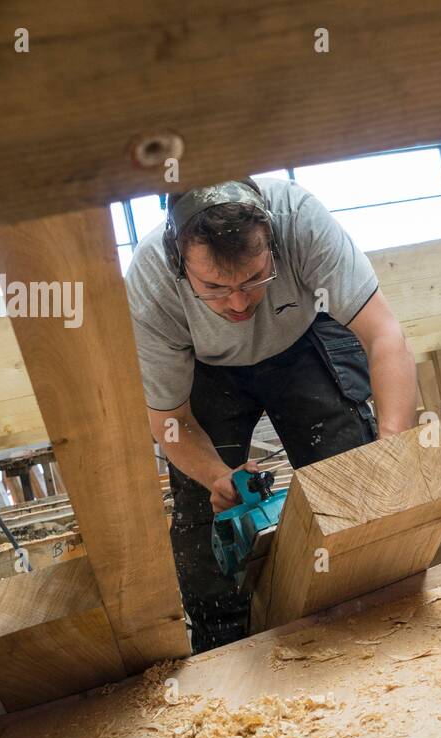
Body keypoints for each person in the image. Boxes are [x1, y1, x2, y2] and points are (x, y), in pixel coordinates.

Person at [125, 179, 417, 652]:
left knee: (352, 471)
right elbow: (169, 420)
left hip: (303, 337)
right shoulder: (150, 285)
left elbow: (384, 334)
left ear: (272, 240)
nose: (238, 304)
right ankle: (222, 648)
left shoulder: (298, 218)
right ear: (180, 263)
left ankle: (375, 614)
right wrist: (217, 477)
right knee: (207, 512)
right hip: (206, 368)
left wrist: (391, 445)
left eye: (253, 279)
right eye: (214, 288)